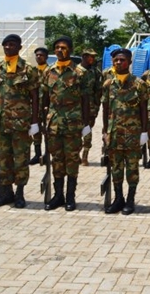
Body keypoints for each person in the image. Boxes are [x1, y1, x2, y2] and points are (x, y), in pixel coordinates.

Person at [0, 34, 40, 208]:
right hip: (1, 122)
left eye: (12, 45)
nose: (8, 47)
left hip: (21, 123)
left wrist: (35, 122)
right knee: (4, 159)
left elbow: (35, 97)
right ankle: (7, 193)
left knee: (21, 159)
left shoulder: (28, 70)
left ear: (19, 47)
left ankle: (20, 194)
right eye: (6, 45)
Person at [42, 36, 91, 211]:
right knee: (57, 160)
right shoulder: (49, 71)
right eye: (56, 48)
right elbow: (44, 98)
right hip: (54, 122)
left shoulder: (79, 73)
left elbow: (86, 99)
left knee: (71, 161)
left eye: (63, 47)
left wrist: (87, 123)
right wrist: (42, 120)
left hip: (73, 122)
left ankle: (70, 197)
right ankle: (58, 195)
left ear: (70, 50)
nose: (59, 50)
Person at [101, 48, 148, 214]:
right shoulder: (108, 84)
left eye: (122, 60)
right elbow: (105, 108)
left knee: (132, 169)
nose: (119, 63)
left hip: (133, 134)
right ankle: (118, 198)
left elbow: (144, 108)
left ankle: (130, 199)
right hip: (114, 134)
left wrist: (144, 131)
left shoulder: (139, 84)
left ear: (129, 62)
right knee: (116, 168)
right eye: (116, 60)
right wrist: (105, 131)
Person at [78, 48, 103, 166]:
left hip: (91, 106)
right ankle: (75, 155)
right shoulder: (75, 71)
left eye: (93, 57)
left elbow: (98, 90)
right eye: (89, 56)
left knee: (88, 130)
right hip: (76, 107)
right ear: (83, 56)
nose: (92, 59)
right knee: (76, 132)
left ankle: (85, 156)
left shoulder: (95, 72)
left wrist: (97, 106)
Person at [30, 47, 49, 165]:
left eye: (41, 55)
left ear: (46, 57)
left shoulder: (50, 71)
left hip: (46, 106)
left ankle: (47, 154)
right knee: (35, 130)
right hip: (35, 106)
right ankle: (37, 154)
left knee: (47, 131)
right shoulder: (32, 71)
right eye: (37, 55)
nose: (38, 57)